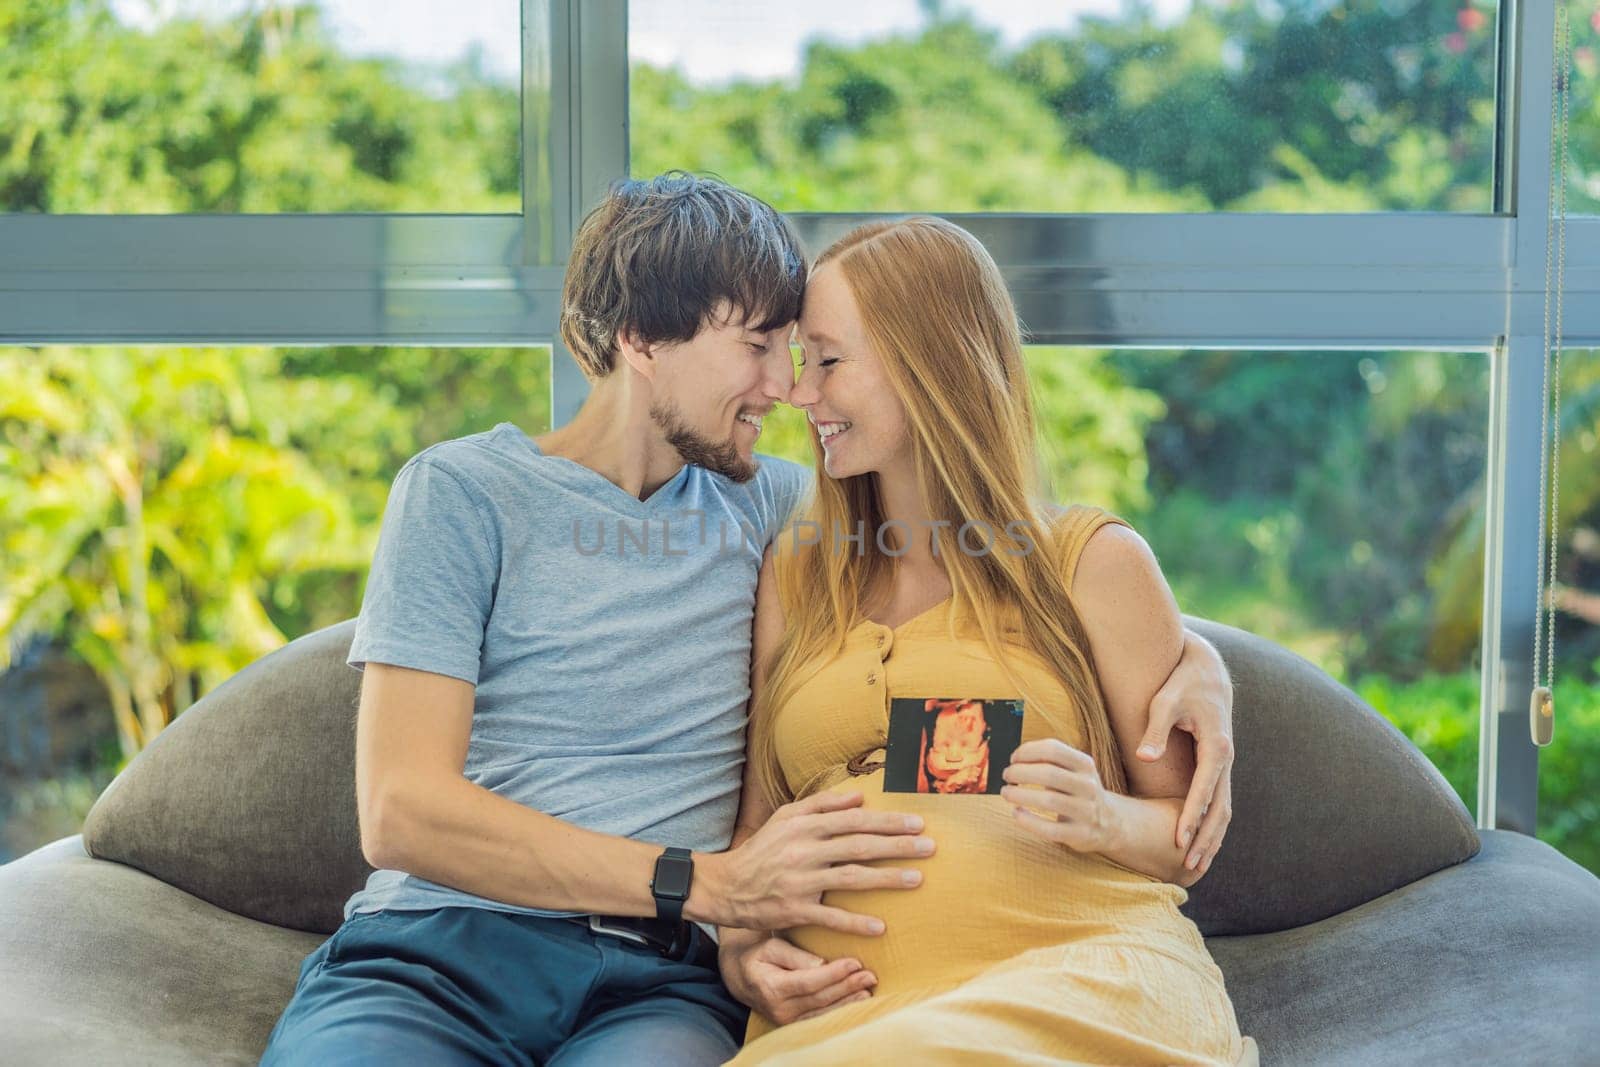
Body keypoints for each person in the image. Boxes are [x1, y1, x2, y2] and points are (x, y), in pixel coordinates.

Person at [260, 175, 1238, 1066]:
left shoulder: (776, 514)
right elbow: (400, 810)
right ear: (642, 339)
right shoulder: (476, 494)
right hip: (448, 946)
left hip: (659, 981)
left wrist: (1200, 660)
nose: (786, 390)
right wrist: (717, 899)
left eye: (808, 355)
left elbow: (994, 625)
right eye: (762, 347)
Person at [720, 216, 1257, 1065]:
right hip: (841, 1022)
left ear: (927, 359)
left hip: (1074, 977)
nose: (797, 392)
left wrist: (1104, 816)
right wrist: (742, 953)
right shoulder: (796, 574)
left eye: (826, 360)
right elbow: (752, 839)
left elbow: (1182, 839)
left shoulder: (1090, 561)